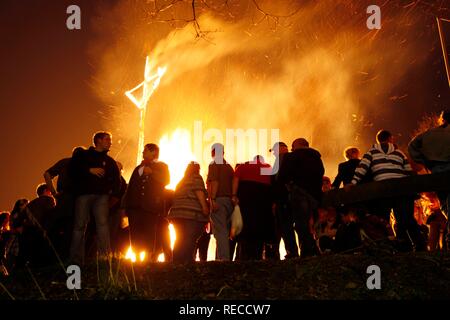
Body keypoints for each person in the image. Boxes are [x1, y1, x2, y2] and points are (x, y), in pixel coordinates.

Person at [351, 130, 425, 251]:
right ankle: (416, 246)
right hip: (400, 189)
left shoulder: (371, 152)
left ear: (378, 140)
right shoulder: (399, 153)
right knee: (405, 219)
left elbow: (362, 169)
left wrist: (353, 183)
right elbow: (408, 171)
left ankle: (388, 247)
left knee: (383, 220)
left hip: (383, 190)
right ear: (391, 138)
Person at [69, 131, 121, 265]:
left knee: (102, 225)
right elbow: (72, 169)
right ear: (98, 141)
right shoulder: (83, 155)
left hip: (102, 197)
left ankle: (104, 257)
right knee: (80, 226)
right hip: (83, 195)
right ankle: (76, 259)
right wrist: (89, 170)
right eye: (107, 140)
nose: (110, 142)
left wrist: (113, 195)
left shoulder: (110, 162)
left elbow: (116, 180)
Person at [122, 143, 171, 262]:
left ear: (154, 152)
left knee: (149, 234)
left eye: (146, 150)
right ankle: (137, 258)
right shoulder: (138, 168)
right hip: (134, 207)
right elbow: (131, 187)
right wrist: (125, 207)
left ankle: (148, 259)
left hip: (150, 207)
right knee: (135, 234)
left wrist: (152, 173)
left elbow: (166, 180)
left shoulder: (162, 166)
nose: (143, 152)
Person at [408, 110, 450, 247]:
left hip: (437, 172)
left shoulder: (429, 134)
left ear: (442, 119)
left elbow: (412, 146)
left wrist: (424, 161)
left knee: (445, 203)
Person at [279, 138, 324, 258]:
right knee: (311, 223)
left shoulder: (291, 157)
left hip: (299, 193)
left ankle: (309, 250)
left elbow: (283, 175)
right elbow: (321, 172)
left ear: (297, 145)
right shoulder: (316, 157)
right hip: (314, 195)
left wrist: (288, 185)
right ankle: (310, 250)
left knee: (301, 224)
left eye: (293, 146)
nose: (292, 149)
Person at [44, 146, 85, 259]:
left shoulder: (64, 162)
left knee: (60, 225)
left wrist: (54, 192)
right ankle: (71, 257)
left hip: (63, 198)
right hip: (77, 199)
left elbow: (47, 174)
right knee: (73, 227)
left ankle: (55, 256)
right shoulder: (84, 165)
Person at [232, 156, 273, 260]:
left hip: (246, 200)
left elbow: (235, 181)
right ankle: (257, 256)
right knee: (259, 229)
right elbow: (273, 184)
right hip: (263, 202)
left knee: (245, 228)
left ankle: (243, 257)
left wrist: (234, 195)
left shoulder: (242, 167)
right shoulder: (267, 167)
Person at [168, 162, 209, 264]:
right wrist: (204, 207)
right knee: (189, 237)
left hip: (177, 214)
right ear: (197, 169)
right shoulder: (196, 178)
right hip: (190, 214)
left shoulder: (181, 182)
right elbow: (199, 192)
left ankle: (176, 261)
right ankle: (187, 261)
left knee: (180, 238)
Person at [270, 142, 299, 259]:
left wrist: (275, 200)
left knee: (286, 226)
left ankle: (292, 252)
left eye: (274, 150)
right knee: (295, 225)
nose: (273, 153)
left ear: (281, 149)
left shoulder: (282, 159)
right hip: (293, 197)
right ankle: (297, 251)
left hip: (283, 199)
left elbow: (277, 181)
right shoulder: (294, 159)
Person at [207, 143, 234, 261]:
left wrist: (212, 199)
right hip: (228, 201)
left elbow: (215, 182)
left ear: (213, 152)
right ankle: (220, 257)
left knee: (220, 231)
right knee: (224, 230)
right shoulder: (228, 167)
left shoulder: (214, 164)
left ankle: (223, 259)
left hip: (219, 200)